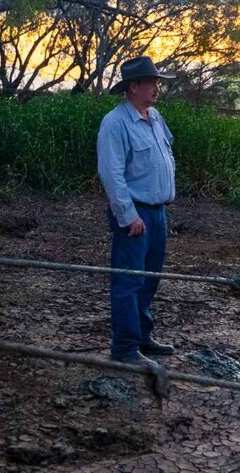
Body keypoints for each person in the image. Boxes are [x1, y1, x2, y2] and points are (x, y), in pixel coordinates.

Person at [97, 56, 177, 366]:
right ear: (133, 87)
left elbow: (166, 156)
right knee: (128, 281)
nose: (157, 87)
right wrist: (128, 216)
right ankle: (125, 349)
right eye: (151, 82)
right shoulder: (115, 123)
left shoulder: (155, 117)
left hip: (157, 214)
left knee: (149, 279)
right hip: (136, 215)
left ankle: (142, 336)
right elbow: (111, 173)